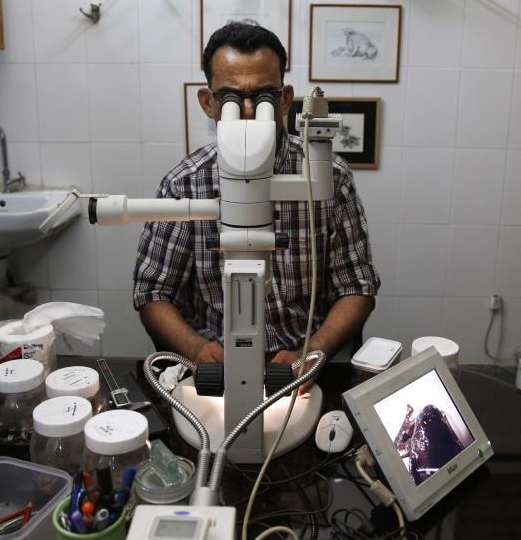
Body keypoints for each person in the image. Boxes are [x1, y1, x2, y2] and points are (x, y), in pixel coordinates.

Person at [133, 22, 380, 387]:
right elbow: (152, 291)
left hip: (303, 361)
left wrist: (314, 350)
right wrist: (198, 349)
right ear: (208, 102)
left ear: (284, 99)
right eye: (231, 97)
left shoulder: (329, 178)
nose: (248, 111)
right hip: (219, 362)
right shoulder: (184, 183)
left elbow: (357, 285)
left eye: (263, 95)